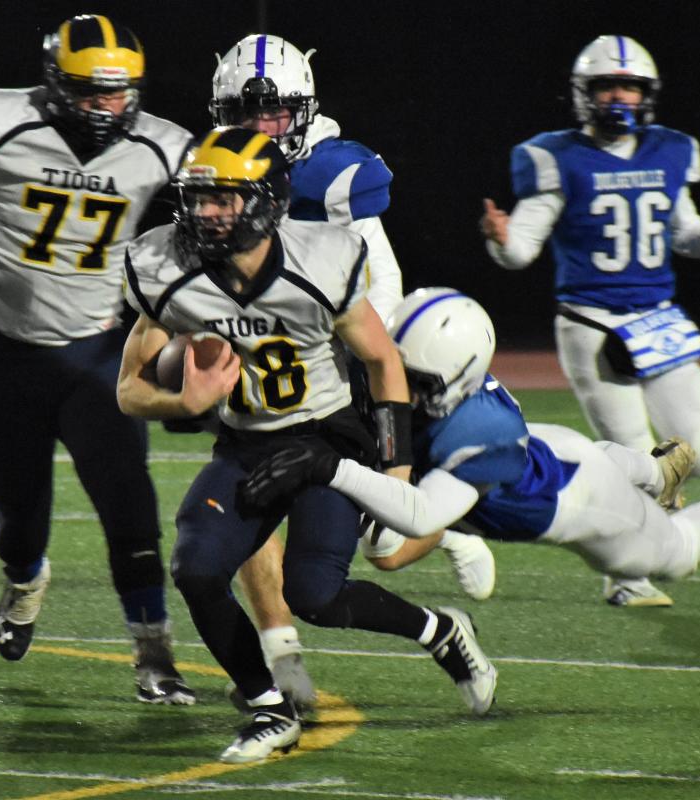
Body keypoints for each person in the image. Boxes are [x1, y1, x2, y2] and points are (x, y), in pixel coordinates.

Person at [118, 128, 496, 764]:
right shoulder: (164, 265)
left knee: (315, 595)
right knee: (196, 568)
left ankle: (439, 630)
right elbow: (129, 388)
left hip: (327, 438)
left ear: (267, 201)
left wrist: (395, 464)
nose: (206, 213)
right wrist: (184, 403)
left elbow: (381, 361)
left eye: (224, 200)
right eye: (198, 198)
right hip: (245, 444)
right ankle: (269, 708)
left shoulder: (323, 259)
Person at [0, 14, 195, 705]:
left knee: (131, 510)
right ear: (56, 85)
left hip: (96, 356)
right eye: (90, 92)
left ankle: (154, 652)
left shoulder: (162, 147)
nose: (105, 107)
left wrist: (176, 332)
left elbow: (191, 245)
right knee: (19, 520)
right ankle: (25, 581)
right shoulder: (4, 119)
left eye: (117, 94)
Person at [206, 34, 496, 706]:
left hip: (342, 367)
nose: (258, 129)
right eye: (243, 114)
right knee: (253, 499)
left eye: (273, 113)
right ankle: (281, 661)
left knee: (382, 550)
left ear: (302, 111)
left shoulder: (333, 175)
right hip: (271, 367)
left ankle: (451, 519)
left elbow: (372, 293)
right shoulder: (214, 169)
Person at [242, 289, 700, 620]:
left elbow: (413, 523)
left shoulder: (481, 429)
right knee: (588, 454)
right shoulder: (451, 389)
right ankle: (656, 470)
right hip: (553, 452)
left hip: (578, 503)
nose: (398, 390)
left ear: (455, 378)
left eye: (416, 381)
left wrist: (330, 468)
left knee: (668, 555)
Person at [479, 35, 700, 607]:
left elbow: (684, 233)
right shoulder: (555, 156)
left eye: (629, 86)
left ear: (647, 95)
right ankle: (627, 573)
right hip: (592, 320)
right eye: (606, 86)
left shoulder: (671, 150)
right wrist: (501, 240)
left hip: (659, 321)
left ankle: (636, 529)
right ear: (584, 95)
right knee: (634, 449)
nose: (618, 96)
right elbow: (522, 250)